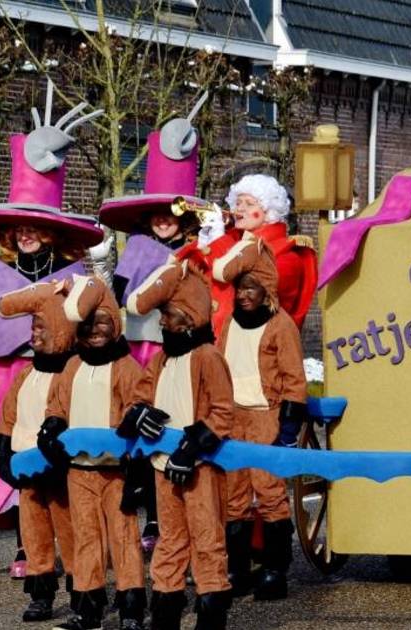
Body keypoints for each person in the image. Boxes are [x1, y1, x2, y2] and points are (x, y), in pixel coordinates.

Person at [0, 79, 104, 579]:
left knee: (63, 461)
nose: (26, 235)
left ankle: (77, 542)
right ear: (9, 235)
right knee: (18, 464)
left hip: (60, 379)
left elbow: (90, 321)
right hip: (8, 383)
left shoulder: (72, 274)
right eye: (18, 229)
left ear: (51, 234)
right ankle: (26, 549)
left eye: (34, 228)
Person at [99, 95, 210, 554]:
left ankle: (177, 512)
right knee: (140, 426)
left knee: (179, 424)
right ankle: (147, 515)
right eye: (158, 214)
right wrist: (107, 273)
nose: (164, 221)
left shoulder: (199, 251)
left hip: (185, 347)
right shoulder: (139, 249)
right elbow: (120, 295)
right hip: (142, 346)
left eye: (173, 212)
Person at [122, 258, 234, 630]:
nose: (162, 323)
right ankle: (166, 612)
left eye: (168, 316)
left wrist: (191, 449)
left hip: (199, 468)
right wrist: (138, 413)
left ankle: (211, 613)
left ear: (187, 318)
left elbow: (222, 412)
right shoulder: (161, 360)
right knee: (169, 540)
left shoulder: (208, 357)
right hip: (161, 466)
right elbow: (139, 395)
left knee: (207, 538)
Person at [43, 274, 147, 630]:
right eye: (85, 326)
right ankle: (88, 608)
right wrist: (53, 425)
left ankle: (131, 606)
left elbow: (140, 401)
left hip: (116, 470)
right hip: (79, 470)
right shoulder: (72, 366)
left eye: (101, 323)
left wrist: (134, 418)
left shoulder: (126, 367)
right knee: (85, 538)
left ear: (115, 326)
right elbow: (56, 405)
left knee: (123, 537)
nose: (93, 332)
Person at [212, 234, 308, 601]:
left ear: (266, 288)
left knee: (269, 493)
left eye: (251, 287)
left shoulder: (280, 325)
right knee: (233, 495)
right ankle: (237, 568)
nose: (243, 295)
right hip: (233, 417)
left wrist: (288, 427)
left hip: (266, 415)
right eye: (240, 288)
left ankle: (274, 569)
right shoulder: (231, 324)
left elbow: (294, 378)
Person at [0, 281, 79, 623]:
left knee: (70, 532)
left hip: (59, 470)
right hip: (26, 468)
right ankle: (40, 593)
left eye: (41, 327)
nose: (34, 334)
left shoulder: (71, 373)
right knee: (35, 534)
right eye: (33, 327)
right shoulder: (26, 373)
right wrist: (1, 444)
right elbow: (9, 412)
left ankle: (82, 591)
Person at [178, 174, 317, 337]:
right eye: (237, 203)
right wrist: (203, 245)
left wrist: (218, 243)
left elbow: (245, 290)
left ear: (269, 212)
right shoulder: (230, 240)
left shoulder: (287, 256)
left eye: (249, 204)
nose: (239, 209)